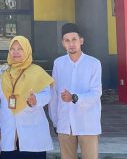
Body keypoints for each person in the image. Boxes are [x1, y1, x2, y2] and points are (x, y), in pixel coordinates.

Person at [0, 36, 54, 159]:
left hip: (33, 132)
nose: (16, 52)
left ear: (27, 50)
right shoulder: (1, 72)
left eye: (20, 49)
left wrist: (36, 99)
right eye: (12, 49)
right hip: (9, 130)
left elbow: (47, 95)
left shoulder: (37, 72)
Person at [49, 23, 102, 159]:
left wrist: (74, 98)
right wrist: (55, 121)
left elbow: (96, 93)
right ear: (63, 43)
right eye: (67, 40)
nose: (71, 44)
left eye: (74, 39)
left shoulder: (93, 63)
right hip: (65, 123)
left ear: (81, 41)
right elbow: (54, 94)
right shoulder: (58, 63)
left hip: (87, 123)